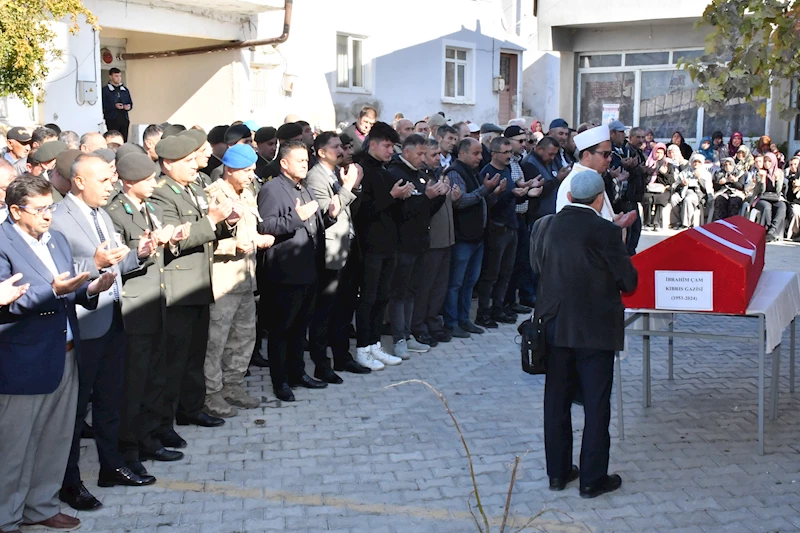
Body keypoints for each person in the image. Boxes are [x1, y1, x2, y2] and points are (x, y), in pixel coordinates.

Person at [0, 175, 115, 533]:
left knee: (56, 437)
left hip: (66, 351)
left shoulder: (56, 240)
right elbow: (9, 305)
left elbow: (68, 293)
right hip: (24, 359)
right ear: (16, 210)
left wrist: (92, 287)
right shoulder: (2, 243)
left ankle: (42, 506)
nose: (49, 215)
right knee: (15, 445)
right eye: (40, 210)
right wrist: (53, 290)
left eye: (50, 206)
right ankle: (6, 515)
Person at [51, 153, 158, 511]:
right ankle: (69, 482)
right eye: (104, 180)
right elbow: (57, 273)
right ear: (79, 181)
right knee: (76, 409)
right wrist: (92, 265)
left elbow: (116, 261)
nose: (111, 185)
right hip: (82, 325)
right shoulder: (59, 218)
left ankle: (111, 467)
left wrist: (137, 254)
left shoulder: (101, 214)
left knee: (111, 399)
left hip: (112, 316)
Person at [533, 169, 637, 499]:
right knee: (595, 404)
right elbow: (629, 282)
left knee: (556, 402)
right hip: (594, 328)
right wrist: (619, 243)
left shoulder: (547, 225)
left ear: (568, 197)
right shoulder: (605, 230)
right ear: (599, 200)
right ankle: (592, 479)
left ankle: (557, 473)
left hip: (554, 324)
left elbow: (538, 268)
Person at [150, 135, 240, 435]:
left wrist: (227, 222)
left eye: (194, 160)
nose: (194, 165)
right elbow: (176, 239)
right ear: (167, 164)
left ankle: (192, 409)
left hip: (201, 282)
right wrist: (213, 221)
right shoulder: (162, 194)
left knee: (194, 355)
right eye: (187, 161)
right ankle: (166, 422)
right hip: (179, 287)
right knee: (174, 360)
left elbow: (208, 229)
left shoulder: (195, 186)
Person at [107, 152, 188, 469]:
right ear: (129, 182)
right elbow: (117, 258)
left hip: (157, 300)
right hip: (136, 307)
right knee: (135, 383)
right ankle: (130, 448)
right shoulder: (116, 213)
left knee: (156, 377)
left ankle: (150, 438)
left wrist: (171, 238)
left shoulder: (149, 207)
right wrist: (140, 251)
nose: (154, 183)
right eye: (148, 179)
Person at [256, 141, 341, 401]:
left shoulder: (303, 188)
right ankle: (280, 381)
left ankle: (298, 373)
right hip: (285, 272)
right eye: (299, 161)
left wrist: (331, 216)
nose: (305, 165)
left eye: (307, 160)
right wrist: (297, 216)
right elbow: (265, 226)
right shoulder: (272, 189)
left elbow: (313, 222)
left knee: (299, 329)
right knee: (281, 330)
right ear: (284, 163)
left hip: (309, 269)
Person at [202, 144, 273, 417]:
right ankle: (211, 394)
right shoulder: (213, 195)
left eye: (253, 169)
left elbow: (248, 230)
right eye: (246, 170)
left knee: (243, 337)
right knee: (215, 342)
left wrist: (256, 240)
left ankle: (232, 385)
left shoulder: (248, 192)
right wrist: (234, 246)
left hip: (246, 279)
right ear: (229, 169)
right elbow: (205, 242)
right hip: (222, 283)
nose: (251, 174)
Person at [305, 132, 372, 379]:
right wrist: (347, 187)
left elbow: (349, 207)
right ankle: (322, 365)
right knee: (325, 310)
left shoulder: (336, 173)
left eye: (342, 147)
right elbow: (327, 213)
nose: (341, 151)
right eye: (335, 147)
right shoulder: (315, 177)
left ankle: (343, 357)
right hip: (330, 250)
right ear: (321, 152)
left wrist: (355, 186)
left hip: (347, 245)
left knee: (345, 307)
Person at [353, 122, 411, 368]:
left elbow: (390, 211)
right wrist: (392, 197)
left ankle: (375, 344)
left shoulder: (385, 171)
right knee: (368, 298)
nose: (390, 151)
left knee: (382, 297)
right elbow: (362, 212)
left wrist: (402, 198)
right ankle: (362, 348)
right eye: (386, 146)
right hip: (369, 246)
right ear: (373, 144)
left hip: (389, 245)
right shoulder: (361, 169)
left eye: (392, 146)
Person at [386, 134, 447, 358]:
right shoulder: (396, 173)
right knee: (399, 293)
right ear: (407, 152)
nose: (423, 158)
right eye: (420, 153)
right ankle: (398, 338)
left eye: (425, 153)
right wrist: (426, 197)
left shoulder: (420, 175)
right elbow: (400, 212)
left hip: (420, 242)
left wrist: (439, 195)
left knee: (412, 291)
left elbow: (426, 211)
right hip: (402, 244)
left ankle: (408, 333)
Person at [443, 138, 504, 338]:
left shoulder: (473, 172)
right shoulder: (455, 173)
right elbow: (460, 202)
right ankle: (451, 323)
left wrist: (493, 193)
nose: (480, 157)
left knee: (470, 282)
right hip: (463, 238)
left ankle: (464, 320)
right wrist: (484, 189)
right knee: (456, 283)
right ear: (462, 154)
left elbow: (481, 201)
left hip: (477, 237)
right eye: (476, 153)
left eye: (480, 153)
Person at [411, 139, 461, 347]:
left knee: (440, 287)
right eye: (433, 155)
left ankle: (433, 322)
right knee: (425, 288)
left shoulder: (439, 175)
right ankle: (419, 325)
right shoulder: (420, 179)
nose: (437, 158)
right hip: (430, 242)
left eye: (439, 154)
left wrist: (453, 198)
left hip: (446, 239)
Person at [752, 152, 788, 241]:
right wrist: (763, 179)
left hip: (775, 197)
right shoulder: (760, 172)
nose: (767, 164)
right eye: (765, 161)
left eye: (769, 161)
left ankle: (772, 231)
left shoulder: (779, 172)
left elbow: (778, 191)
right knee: (766, 207)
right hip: (763, 197)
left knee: (782, 207)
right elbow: (761, 191)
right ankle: (766, 229)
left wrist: (777, 180)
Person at [671, 153, 711, 229]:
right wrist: (682, 184)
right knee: (674, 198)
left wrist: (699, 178)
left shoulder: (706, 173)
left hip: (697, 193)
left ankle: (686, 224)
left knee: (688, 200)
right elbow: (675, 186)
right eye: (694, 161)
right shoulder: (685, 172)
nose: (696, 164)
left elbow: (707, 189)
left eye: (699, 162)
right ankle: (676, 222)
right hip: (683, 191)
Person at [642, 143, 674, 230]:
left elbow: (671, 181)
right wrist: (650, 172)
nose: (658, 155)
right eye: (657, 152)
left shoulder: (668, 164)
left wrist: (665, 173)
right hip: (650, 189)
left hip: (664, 189)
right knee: (648, 198)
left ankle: (657, 222)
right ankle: (647, 223)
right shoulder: (649, 163)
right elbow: (644, 179)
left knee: (660, 199)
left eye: (661, 153)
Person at [101, 68, 133, 141]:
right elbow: (103, 105)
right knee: (113, 138)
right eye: (116, 76)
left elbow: (130, 103)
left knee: (124, 139)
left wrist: (128, 107)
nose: (118, 78)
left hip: (124, 118)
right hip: (112, 119)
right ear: (110, 76)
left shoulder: (124, 90)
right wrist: (114, 106)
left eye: (119, 76)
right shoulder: (105, 90)